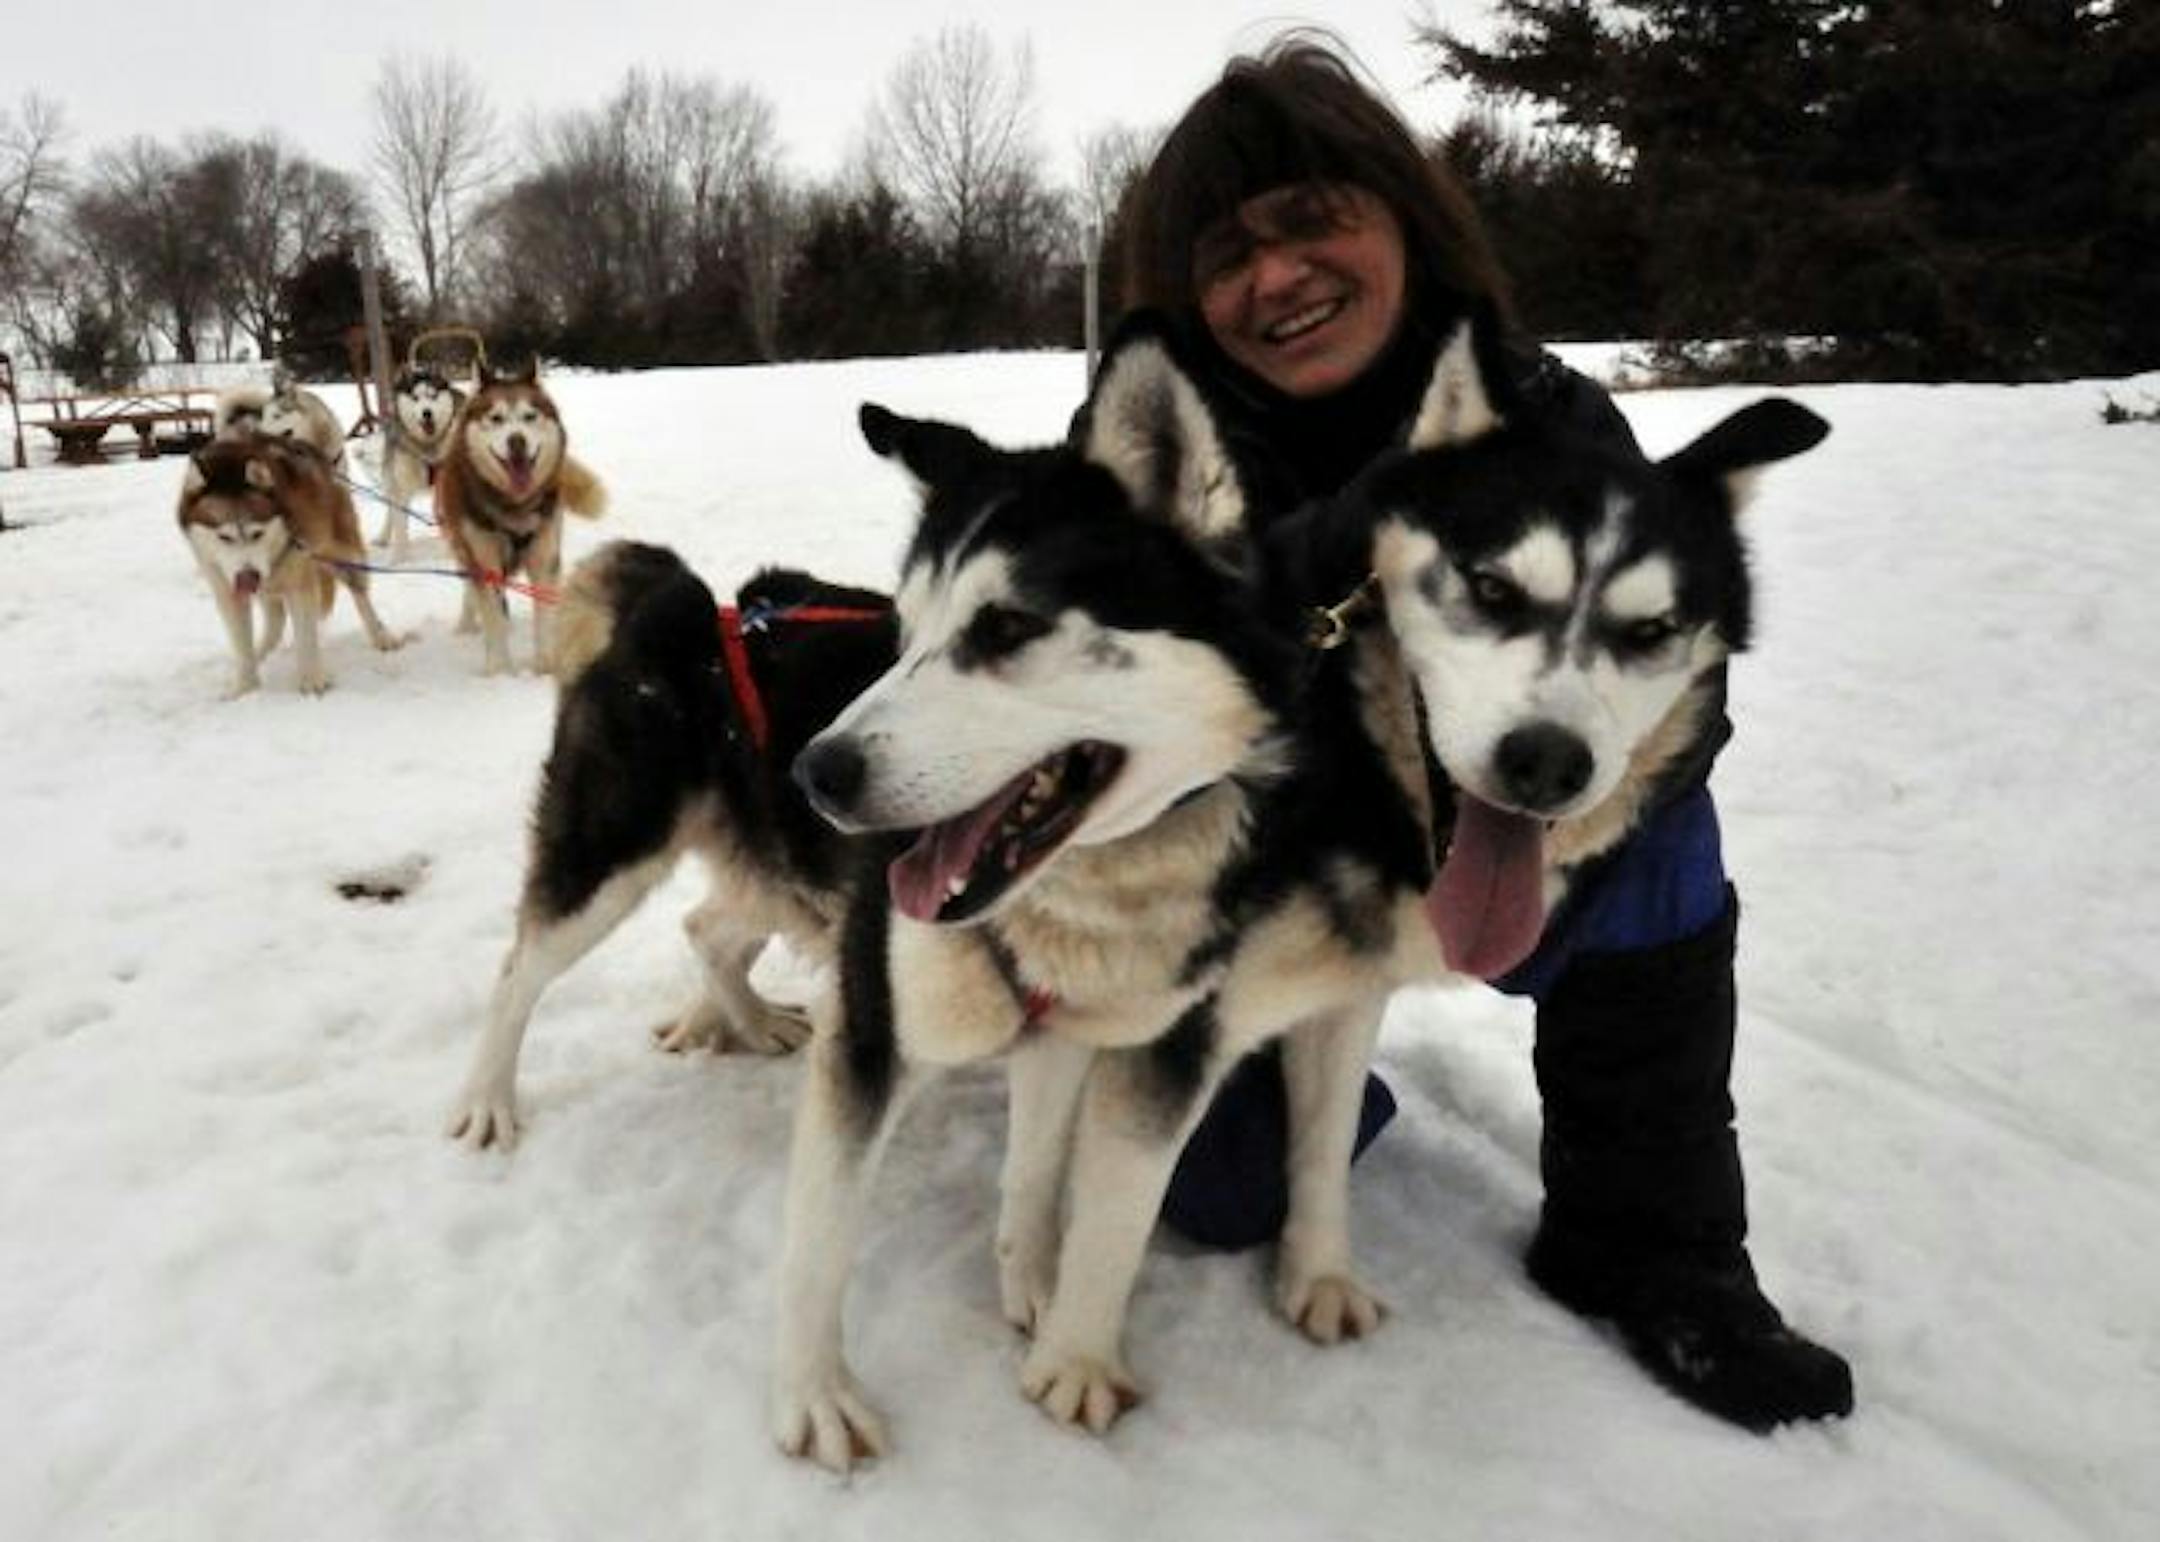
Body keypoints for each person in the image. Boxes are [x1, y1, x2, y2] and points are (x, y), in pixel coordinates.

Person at [1104, 34, 1854, 1432]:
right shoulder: (1175, 443)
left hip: (1505, 821)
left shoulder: (1547, 418)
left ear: (1403, 219)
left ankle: (1652, 1243)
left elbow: (1667, 660)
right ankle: (1299, 1079)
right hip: (1266, 858)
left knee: (1659, 827)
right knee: (1219, 1198)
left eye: (1314, 220)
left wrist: (1587, 779)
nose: (1275, 275)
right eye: (1225, 255)